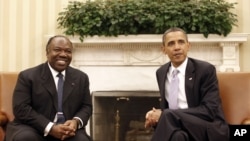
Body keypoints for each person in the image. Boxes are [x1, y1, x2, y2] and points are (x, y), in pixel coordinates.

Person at [144, 27, 229, 141]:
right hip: (179, 127)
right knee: (178, 137)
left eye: (181, 42)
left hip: (207, 126)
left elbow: (208, 111)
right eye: (171, 44)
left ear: (188, 46)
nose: (177, 47)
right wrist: (154, 115)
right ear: (163, 49)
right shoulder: (161, 72)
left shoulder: (205, 70)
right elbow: (167, 108)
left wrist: (165, 114)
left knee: (168, 115)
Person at [5, 35, 92, 141]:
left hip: (67, 131)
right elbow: (21, 108)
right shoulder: (28, 76)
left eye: (68, 51)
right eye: (57, 50)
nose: (63, 54)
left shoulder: (81, 78)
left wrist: (76, 121)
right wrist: (50, 127)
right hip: (33, 128)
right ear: (47, 53)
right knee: (25, 138)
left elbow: (86, 106)